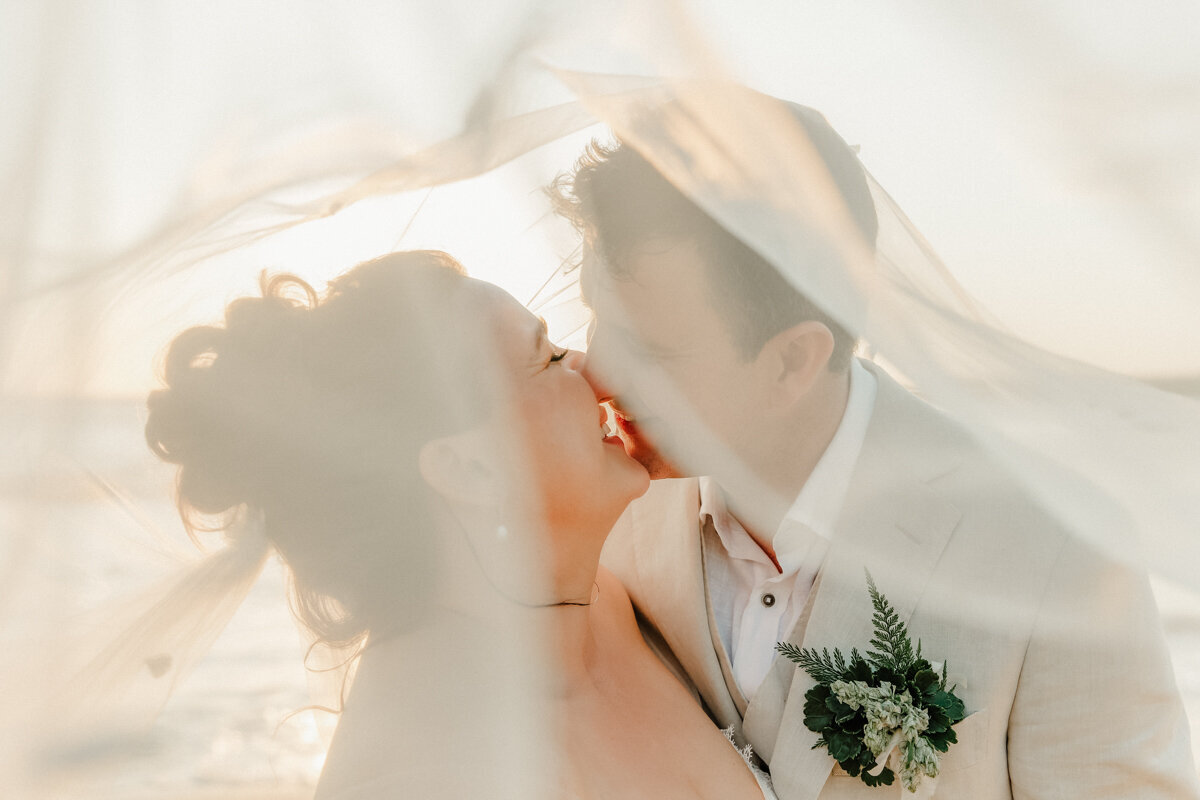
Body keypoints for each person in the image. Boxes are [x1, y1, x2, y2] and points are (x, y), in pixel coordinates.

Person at [551, 103, 1200, 797]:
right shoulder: (595, 517)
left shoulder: (1057, 546)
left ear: (792, 362)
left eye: (652, 350)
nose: (597, 373)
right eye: (593, 314)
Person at [143, 250, 779, 799]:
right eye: (549, 358)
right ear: (467, 467)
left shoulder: (610, 604)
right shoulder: (424, 776)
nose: (590, 367)